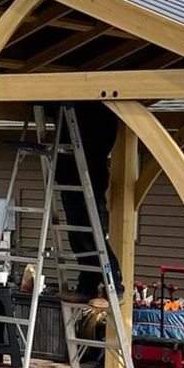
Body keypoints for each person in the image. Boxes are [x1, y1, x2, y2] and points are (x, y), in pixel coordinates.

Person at [51, 101, 124, 308]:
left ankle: (115, 287)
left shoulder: (101, 110)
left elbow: (97, 145)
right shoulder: (78, 108)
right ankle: (87, 286)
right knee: (76, 234)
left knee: (92, 234)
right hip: (70, 173)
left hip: (88, 175)